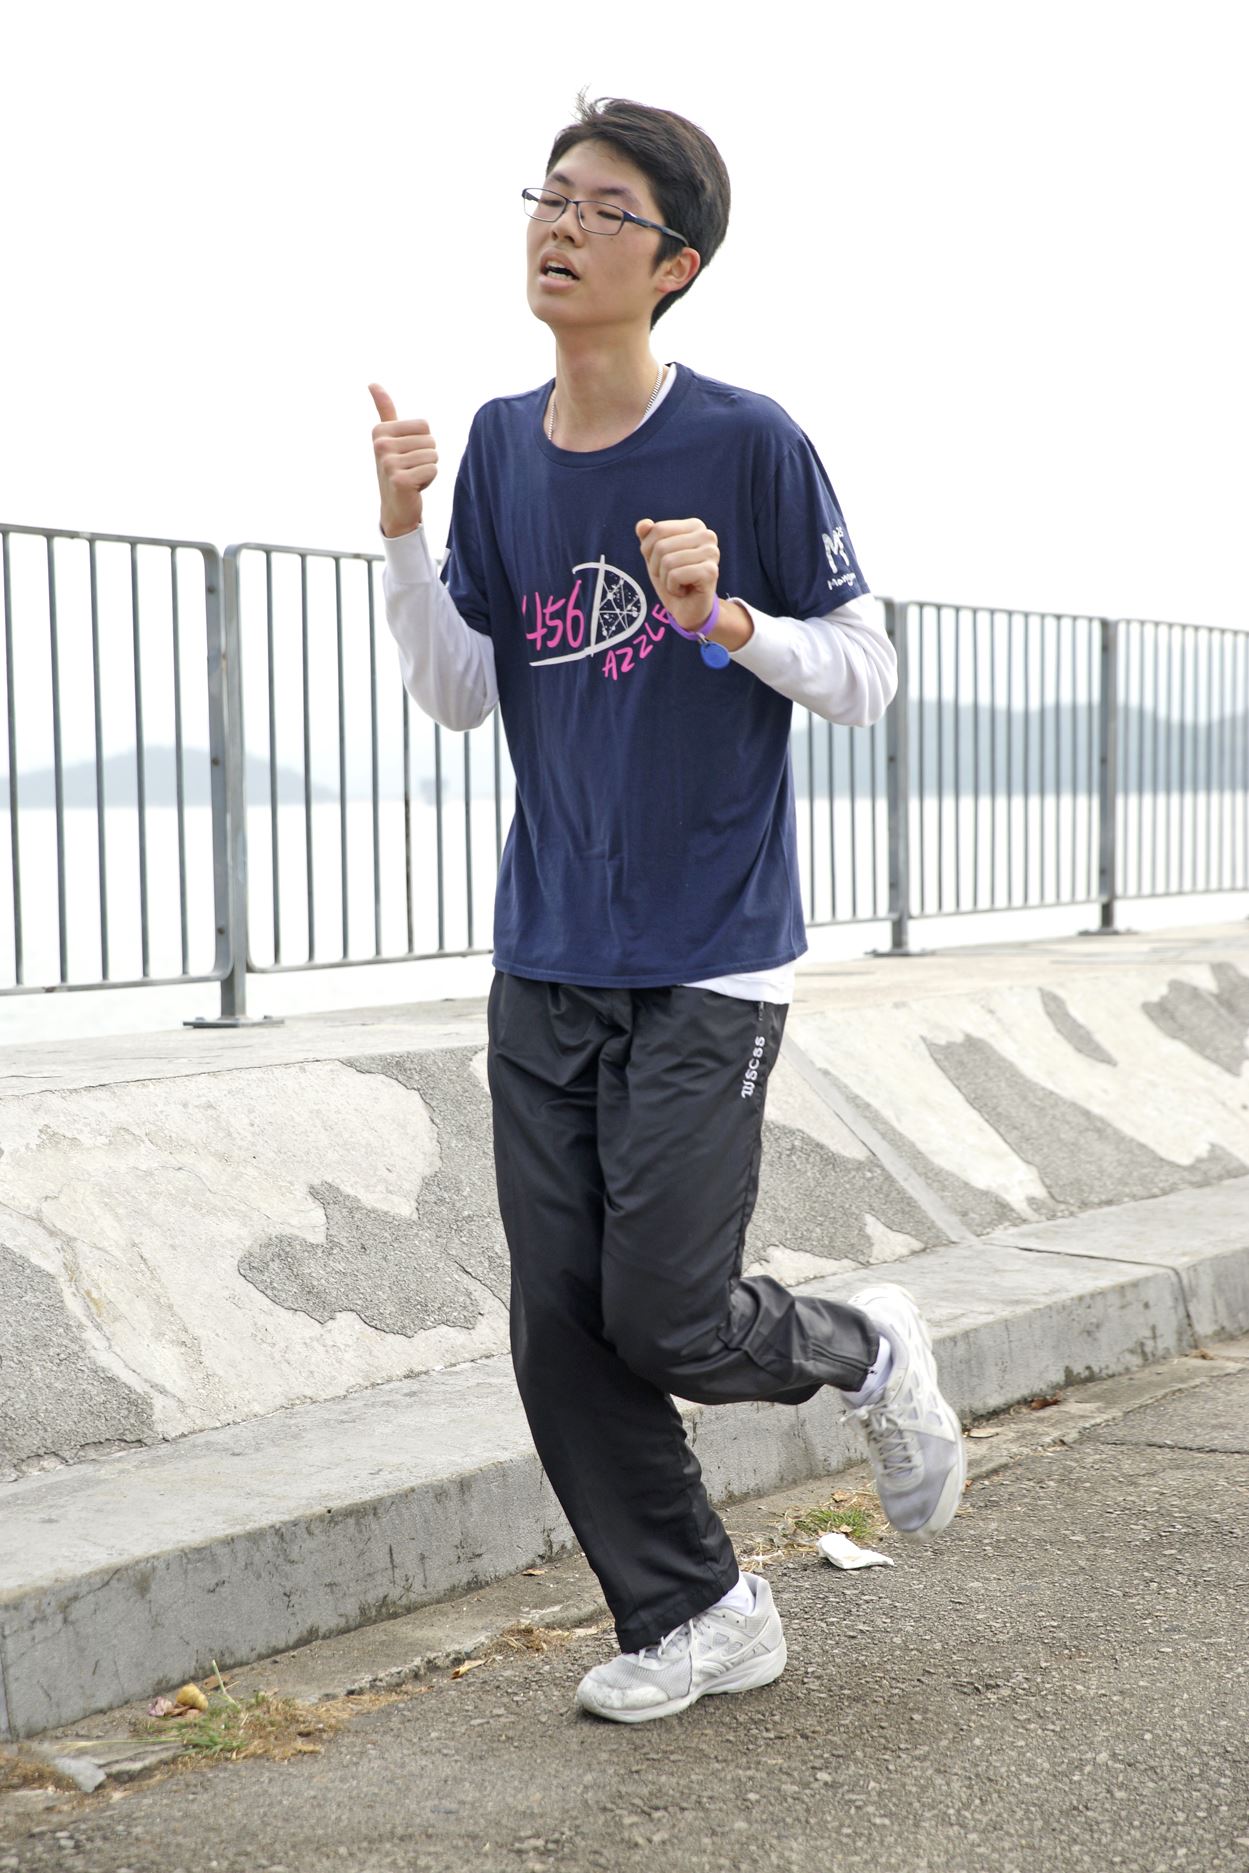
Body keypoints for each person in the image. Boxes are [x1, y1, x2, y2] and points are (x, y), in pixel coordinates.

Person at [369, 91, 965, 1726]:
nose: (559, 225)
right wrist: (403, 533)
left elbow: (865, 672)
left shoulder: (746, 441)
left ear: (674, 261)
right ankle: (698, 1608)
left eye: (602, 207)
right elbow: (459, 690)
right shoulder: (501, 447)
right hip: (547, 946)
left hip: (711, 951)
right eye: (549, 195)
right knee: (558, 1327)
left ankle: (863, 1345)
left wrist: (726, 617)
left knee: (667, 1313)